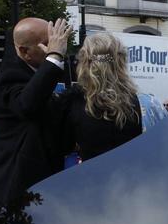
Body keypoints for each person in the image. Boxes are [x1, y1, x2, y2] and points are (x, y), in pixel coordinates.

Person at [0, 16, 71, 209]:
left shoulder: (38, 73)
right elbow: (27, 105)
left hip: (40, 184)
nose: (55, 47)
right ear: (24, 51)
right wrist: (54, 57)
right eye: (48, 44)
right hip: (16, 186)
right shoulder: (10, 75)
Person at [54, 33, 143, 163]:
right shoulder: (138, 101)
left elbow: (63, 146)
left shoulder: (73, 101)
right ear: (121, 62)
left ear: (84, 64)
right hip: (131, 177)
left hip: (92, 177)